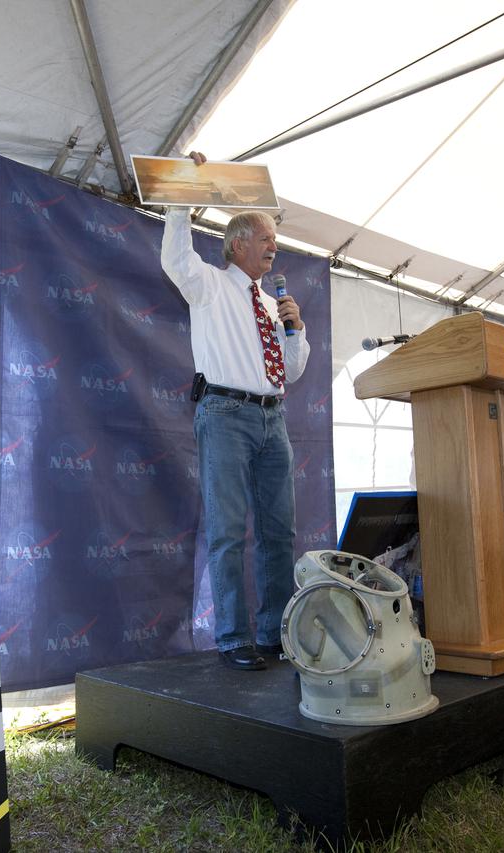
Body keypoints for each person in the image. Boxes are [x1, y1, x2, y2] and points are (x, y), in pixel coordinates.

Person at [159, 151, 309, 671]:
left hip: (273, 416)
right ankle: (232, 637)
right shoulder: (209, 283)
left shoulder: (272, 304)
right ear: (237, 243)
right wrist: (184, 196)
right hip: (224, 412)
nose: (274, 246)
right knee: (227, 531)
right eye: (266, 237)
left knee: (279, 532)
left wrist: (296, 329)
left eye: (275, 239)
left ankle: (274, 633)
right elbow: (175, 259)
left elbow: (292, 372)